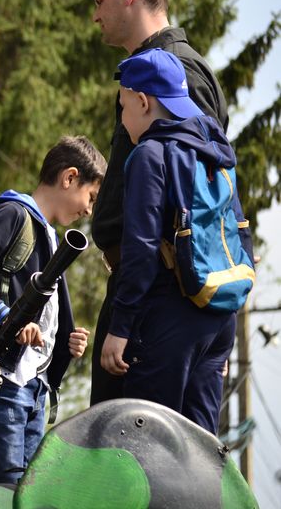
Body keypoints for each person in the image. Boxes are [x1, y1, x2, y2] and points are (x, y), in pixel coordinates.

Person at [89, 0, 229, 405]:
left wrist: (201, 319)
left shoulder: (174, 69)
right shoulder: (152, 66)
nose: (96, 16)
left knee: (130, 436)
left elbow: (203, 195)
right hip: (151, 290)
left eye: (100, 1)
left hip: (161, 295)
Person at [100, 48, 248, 434]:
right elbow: (240, 230)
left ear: (143, 101)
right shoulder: (215, 150)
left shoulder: (150, 155)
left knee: (149, 442)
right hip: (218, 315)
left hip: (170, 315)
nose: (123, 119)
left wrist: (120, 327)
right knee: (200, 445)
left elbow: (141, 249)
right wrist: (222, 323)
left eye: (123, 107)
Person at [0, 136, 103, 484]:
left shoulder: (50, 236)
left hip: (34, 387)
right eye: (90, 197)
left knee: (26, 493)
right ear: (69, 177)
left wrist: (65, 341)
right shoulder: (13, 214)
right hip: (1, 380)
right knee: (5, 489)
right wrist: (7, 318)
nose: (89, 210)